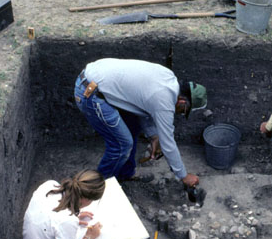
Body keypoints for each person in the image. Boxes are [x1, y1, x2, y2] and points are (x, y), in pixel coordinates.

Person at [74, 58, 207, 189]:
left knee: (133, 126)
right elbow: (168, 144)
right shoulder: (164, 101)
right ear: (182, 102)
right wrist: (183, 176)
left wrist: (154, 136)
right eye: (184, 111)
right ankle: (97, 190)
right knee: (122, 144)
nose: (180, 114)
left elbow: (144, 106)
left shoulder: (168, 79)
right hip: (90, 93)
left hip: (98, 80)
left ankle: (124, 175)